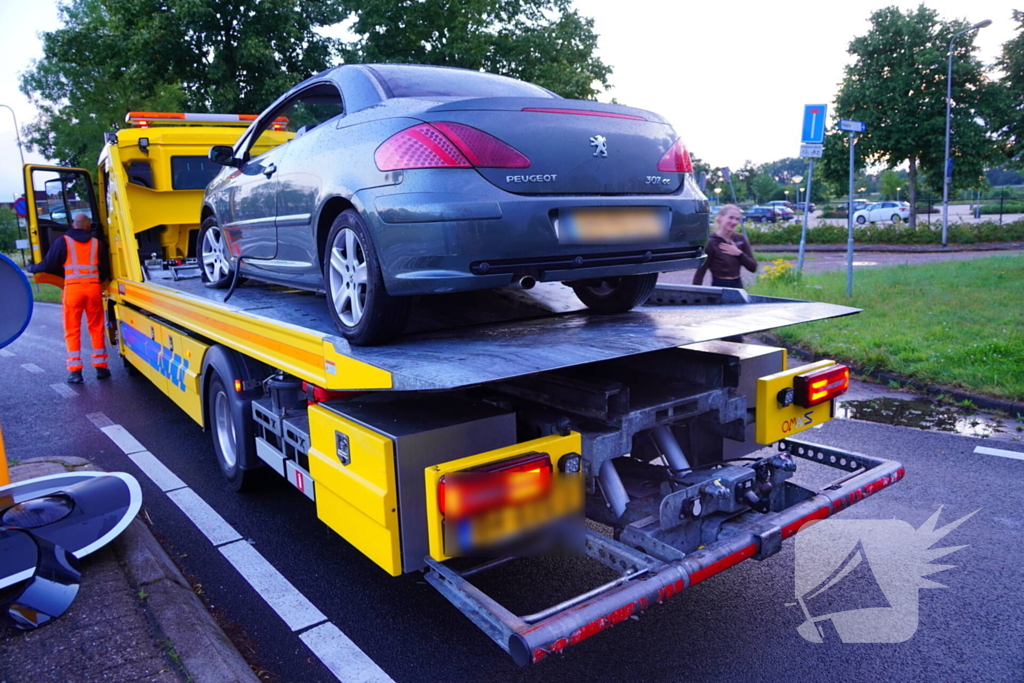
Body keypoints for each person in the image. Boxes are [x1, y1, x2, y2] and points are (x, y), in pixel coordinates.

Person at [28, 213, 111, 383]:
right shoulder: (97, 244)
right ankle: (101, 368)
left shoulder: (63, 241)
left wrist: (31, 267)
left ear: (73, 225)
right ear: (88, 227)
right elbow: (105, 269)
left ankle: (75, 372)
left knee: (72, 330)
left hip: (73, 289)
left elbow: (48, 264)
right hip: (93, 288)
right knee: (96, 328)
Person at [692, 204, 757, 289]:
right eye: (731, 217)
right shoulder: (711, 242)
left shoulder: (740, 239)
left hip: (738, 285)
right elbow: (700, 273)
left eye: (737, 219)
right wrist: (695, 294)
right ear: (720, 217)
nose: (734, 222)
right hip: (720, 286)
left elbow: (753, 267)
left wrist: (739, 253)